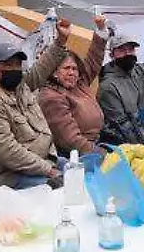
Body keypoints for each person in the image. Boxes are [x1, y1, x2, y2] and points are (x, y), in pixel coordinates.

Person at [0, 19, 73, 189]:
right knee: (63, 187)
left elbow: (41, 68)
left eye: (18, 65)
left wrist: (60, 41)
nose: (14, 69)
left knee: (82, 174)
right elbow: (9, 153)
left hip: (45, 160)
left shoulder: (20, 85)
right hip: (12, 177)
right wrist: (48, 170)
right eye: (7, 65)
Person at [39, 16, 110, 156]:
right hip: (77, 156)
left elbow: (93, 59)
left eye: (74, 68)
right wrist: (101, 154)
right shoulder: (51, 97)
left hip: (98, 143)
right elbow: (71, 140)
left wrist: (101, 30)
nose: (72, 73)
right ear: (53, 72)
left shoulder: (79, 83)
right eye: (66, 69)